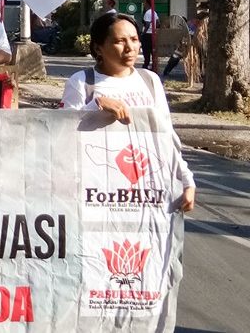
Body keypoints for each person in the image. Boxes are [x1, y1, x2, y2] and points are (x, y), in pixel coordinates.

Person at [59, 13, 195, 212]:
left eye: (134, 39)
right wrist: (96, 105)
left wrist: (186, 181)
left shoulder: (150, 81)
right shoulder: (82, 82)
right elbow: (62, 133)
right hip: (95, 191)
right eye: (119, 41)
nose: (130, 47)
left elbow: (166, 136)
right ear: (98, 48)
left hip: (146, 191)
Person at [141, 0, 158, 69]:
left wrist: (143, 33)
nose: (143, 4)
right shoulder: (154, 12)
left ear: (147, 3)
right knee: (152, 50)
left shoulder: (147, 13)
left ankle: (146, 64)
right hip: (153, 34)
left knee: (146, 50)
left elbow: (147, 24)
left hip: (147, 34)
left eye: (144, 2)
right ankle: (153, 65)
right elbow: (158, 22)